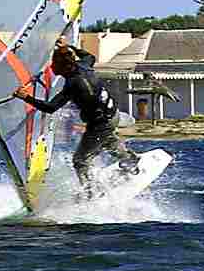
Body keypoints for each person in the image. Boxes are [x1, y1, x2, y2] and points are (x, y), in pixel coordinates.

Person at [15, 39, 139, 197]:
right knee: (106, 141)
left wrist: (25, 97)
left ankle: (92, 192)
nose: (52, 67)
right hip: (112, 114)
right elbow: (90, 56)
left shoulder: (74, 84)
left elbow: (50, 107)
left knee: (80, 161)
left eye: (55, 64)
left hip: (99, 124)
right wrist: (69, 47)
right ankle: (129, 159)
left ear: (65, 66)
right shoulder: (83, 66)